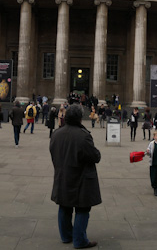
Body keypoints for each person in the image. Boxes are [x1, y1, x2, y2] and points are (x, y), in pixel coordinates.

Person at [49, 105, 101, 249]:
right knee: (82, 209)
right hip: (81, 178)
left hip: (62, 175)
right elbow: (95, 156)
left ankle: (66, 236)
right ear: (79, 118)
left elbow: (53, 153)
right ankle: (80, 241)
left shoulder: (56, 134)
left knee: (64, 206)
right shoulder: (83, 136)